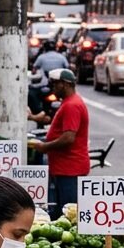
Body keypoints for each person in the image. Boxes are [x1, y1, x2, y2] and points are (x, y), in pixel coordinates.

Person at [32, 69, 89, 219]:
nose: (53, 87)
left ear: (64, 84)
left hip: (70, 169)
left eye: (55, 84)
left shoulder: (72, 105)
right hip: (63, 168)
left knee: (68, 215)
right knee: (61, 213)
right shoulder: (68, 103)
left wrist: (45, 147)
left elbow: (69, 137)